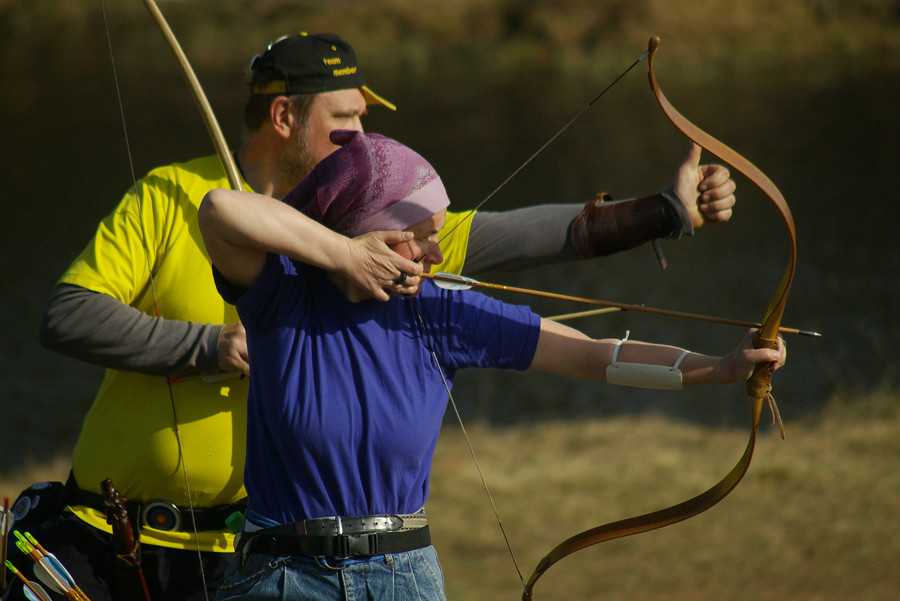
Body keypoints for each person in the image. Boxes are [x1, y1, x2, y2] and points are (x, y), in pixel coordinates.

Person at [9, 33, 737, 601]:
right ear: (284, 114)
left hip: (244, 550)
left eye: (365, 122)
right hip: (124, 536)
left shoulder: (387, 223)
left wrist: (664, 212)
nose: (360, 137)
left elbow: (538, 235)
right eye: (345, 118)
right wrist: (212, 344)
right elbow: (71, 312)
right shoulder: (185, 201)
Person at [198, 130, 784, 601]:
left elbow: (592, 353)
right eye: (419, 236)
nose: (435, 254)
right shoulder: (283, 296)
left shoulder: (440, 310)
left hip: (402, 581)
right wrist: (345, 256)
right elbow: (220, 209)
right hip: (283, 580)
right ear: (365, 229)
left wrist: (723, 366)